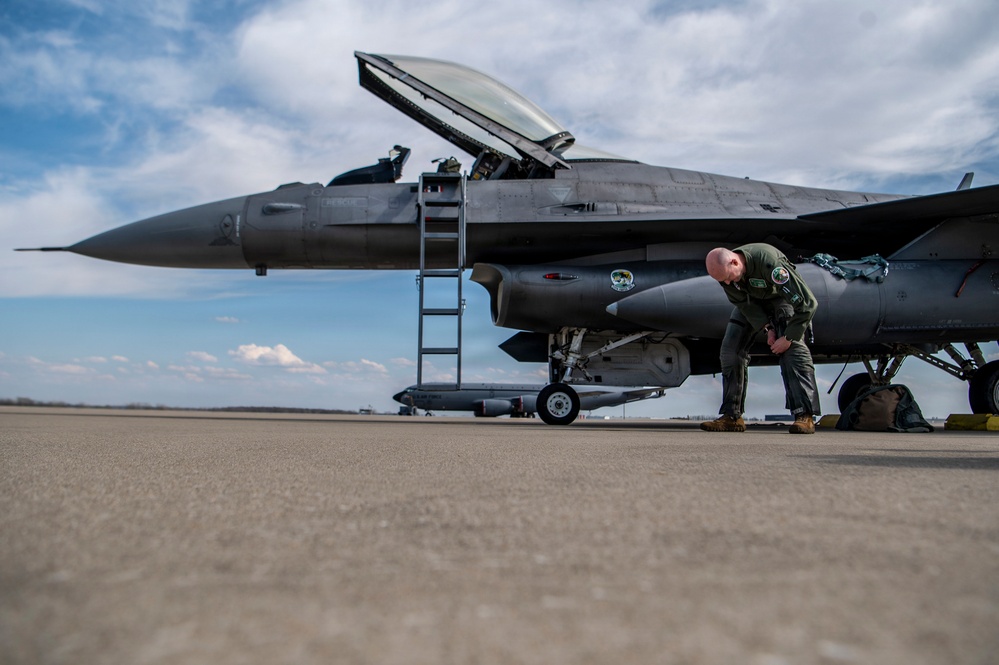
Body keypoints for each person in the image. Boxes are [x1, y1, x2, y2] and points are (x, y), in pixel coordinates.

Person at [701, 243, 821, 434]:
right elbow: (743, 304)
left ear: (734, 262)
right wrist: (767, 328)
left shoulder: (769, 264)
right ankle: (732, 416)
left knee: (793, 351)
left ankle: (804, 416)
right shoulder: (725, 275)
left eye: (728, 278)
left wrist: (788, 337)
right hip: (753, 303)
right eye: (723, 281)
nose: (727, 283)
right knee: (730, 351)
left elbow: (807, 304)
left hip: (782, 299)